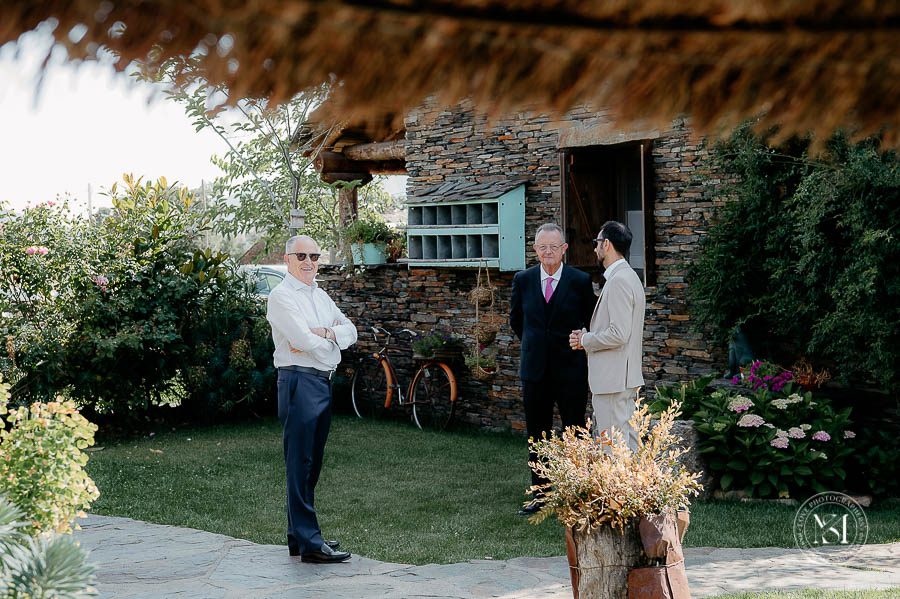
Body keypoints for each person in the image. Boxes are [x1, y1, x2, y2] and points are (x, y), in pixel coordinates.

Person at [266, 234, 357, 563]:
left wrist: (329, 333)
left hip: (321, 382)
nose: (308, 262)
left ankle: (299, 536)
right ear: (287, 259)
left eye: (314, 256)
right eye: (301, 256)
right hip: (299, 382)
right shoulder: (281, 296)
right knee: (300, 462)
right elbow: (302, 341)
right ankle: (310, 542)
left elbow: (351, 331)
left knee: (311, 463)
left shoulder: (320, 295)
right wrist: (330, 343)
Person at [509, 223, 597, 515]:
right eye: (543, 247)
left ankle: (577, 494)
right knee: (538, 435)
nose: (548, 252)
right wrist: (536, 346)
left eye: (554, 247)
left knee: (575, 432)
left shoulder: (580, 280)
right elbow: (517, 321)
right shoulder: (522, 280)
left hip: (571, 371)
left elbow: (590, 322)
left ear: (564, 249)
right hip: (534, 371)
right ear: (535, 249)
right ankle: (541, 495)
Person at [569, 221, 646, 450]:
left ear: (607, 244)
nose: (595, 248)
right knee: (629, 446)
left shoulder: (619, 280)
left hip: (613, 380)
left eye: (597, 242)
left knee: (613, 450)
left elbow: (619, 333)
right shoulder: (628, 276)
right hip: (621, 378)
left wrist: (585, 340)